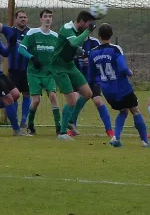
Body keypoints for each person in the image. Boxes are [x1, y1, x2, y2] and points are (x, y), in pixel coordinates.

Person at [87, 23, 150, 148]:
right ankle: (145, 141)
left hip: (107, 91)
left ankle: (116, 138)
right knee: (135, 110)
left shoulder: (93, 53)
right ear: (111, 34)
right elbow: (122, 68)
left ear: (99, 36)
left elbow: (90, 75)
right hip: (122, 88)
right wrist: (129, 72)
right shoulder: (115, 49)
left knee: (124, 110)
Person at [50, 11, 97, 141]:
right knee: (71, 99)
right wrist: (88, 31)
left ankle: (70, 120)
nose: (89, 26)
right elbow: (74, 42)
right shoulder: (67, 28)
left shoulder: (78, 30)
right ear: (81, 21)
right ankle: (62, 133)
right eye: (88, 24)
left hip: (70, 65)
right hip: (58, 67)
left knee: (88, 93)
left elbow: (73, 46)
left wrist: (79, 51)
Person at [17, 9, 61, 135]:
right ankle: (30, 124)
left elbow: (59, 54)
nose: (48, 19)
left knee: (53, 96)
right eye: (45, 16)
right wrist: (31, 57)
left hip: (49, 73)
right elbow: (21, 49)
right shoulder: (32, 33)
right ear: (41, 19)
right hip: (34, 72)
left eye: (50, 17)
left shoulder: (55, 36)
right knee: (36, 101)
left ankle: (58, 127)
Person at [68, 32, 114, 138]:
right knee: (74, 99)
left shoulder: (94, 42)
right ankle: (71, 127)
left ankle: (109, 130)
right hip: (78, 78)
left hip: (92, 79)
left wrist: (91, 61)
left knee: (98, 101)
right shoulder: (74, 42)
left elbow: (101, 58)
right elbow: (68, 59)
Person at [1, 10, 31, 128]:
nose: (23, 19)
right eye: (20, 17)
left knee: (27, 94)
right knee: (13, 96)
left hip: (28, 70)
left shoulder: (31, 33)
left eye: (25, 17)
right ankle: (15, 120)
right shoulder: (11, 31)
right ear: (16, 19)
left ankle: (24, 120)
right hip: (13, 69)